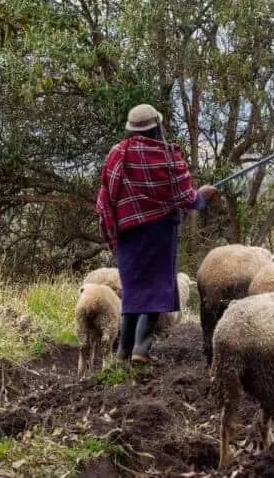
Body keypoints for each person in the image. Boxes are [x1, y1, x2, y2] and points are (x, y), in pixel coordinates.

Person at [95, 104, 217, 363]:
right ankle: (141, 350)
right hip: (160, 235)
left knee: (133, 291)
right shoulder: (167, 157)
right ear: (157, 128)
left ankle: (122, 353)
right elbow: (185, 197)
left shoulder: (116, 155)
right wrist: (202, 196)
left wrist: (111, 231)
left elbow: (106, 195)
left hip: (128, 236)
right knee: (155, 289)